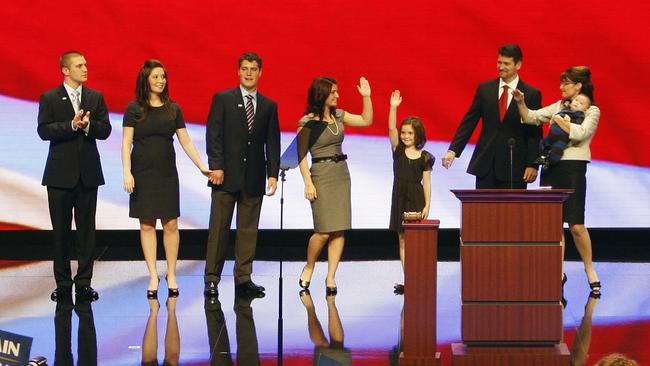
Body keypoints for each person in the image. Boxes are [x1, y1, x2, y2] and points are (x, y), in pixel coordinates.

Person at [122, 59, 210, 299]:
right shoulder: (134, 109)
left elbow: (186, 141)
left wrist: (202, 166)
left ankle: (171, 273)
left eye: (163, 77)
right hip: (142, 173)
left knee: (170, 224)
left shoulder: (173, 108)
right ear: (146, 80)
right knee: (147, 224)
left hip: (166, 174)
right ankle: (152, 274)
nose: (161, 81)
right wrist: (127, 172)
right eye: (156, 77)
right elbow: (126, 143)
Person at [513, 66, 601, 293]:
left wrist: (561, 122)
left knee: (576, 224)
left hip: (573, 168)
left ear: (579, 86)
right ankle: (556, 272)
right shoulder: (559, 107)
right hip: (552, 166)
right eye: (561, 83)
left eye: (567, 83)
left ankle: (589, 269)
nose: (562, 87)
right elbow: (531, 117)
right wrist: (521, 102)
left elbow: (581, 134)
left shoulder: (592, 110)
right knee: (553, 225)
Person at [204, 52, 280, 298]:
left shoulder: (269, 106)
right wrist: (216, 165)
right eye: (245, 68)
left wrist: (272, 174)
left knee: (248, 231)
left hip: (254, 177)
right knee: (219, 230)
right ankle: (212, 279)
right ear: (238, 71)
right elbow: (213, 135)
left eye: (253, 69)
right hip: (224, 177)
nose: (249, 73)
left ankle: (243, 278)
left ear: (260, 72)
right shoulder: (223, 99)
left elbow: (272, 142)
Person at [37, 51, 112, 302]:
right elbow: (44, 131)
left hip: (88, 175)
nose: (85, 68)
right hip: (59, 177)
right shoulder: (49, 98)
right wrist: (71, 125)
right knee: (60, 232)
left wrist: (88, 126)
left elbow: (105, 130)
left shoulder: (95, 97)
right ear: (65, 71)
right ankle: (62, 283)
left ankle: (83, 283)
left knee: (86, 232)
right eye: (79, 65)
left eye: (86, 64)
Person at [297, 76, 373, 295]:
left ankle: (331, 276)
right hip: (320, 174)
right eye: (333, 93)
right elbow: (301, 155)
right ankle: (310, 265)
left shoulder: (339, 115)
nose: (338, 96)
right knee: (322, 231)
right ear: (322, 94)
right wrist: (308, 183)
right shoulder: (308, 122)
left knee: (339, 230)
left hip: (341, 174)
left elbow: (366, 120)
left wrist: (366, 97)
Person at [442, 44, 542, 188]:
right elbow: (469, 121)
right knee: (483, 210)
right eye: (499, 62)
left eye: (506, 63)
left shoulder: (531, 94)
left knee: (511, 211)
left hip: (515, 167)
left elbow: (535, 133)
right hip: (486, 165)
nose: (501, 67)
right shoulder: (485, 89)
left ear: (518, 65)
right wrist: (453, 150)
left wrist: (533, 164)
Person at [387, 90, 434, 294]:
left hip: (415, 197)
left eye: (410, 133)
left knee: (417, 241)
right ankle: (410, 280)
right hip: (399, 197)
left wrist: (427, 205)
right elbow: (390, 128)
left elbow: (427, 183)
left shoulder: (425, 157)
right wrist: (393, 107)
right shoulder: (398, 151)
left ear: (418, 135)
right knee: (403, 240)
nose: (405, 136)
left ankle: (420, 276)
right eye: (403, 132)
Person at [535, 94, 591, 170]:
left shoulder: (579, 115)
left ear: (585, 109)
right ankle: (542, 157)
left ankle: (549, 163)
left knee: (556, 151)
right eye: (576, 100)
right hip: (552, 135)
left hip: (562, 138)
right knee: (543, 143)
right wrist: (554, 118)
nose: (577, 103)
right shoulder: (565, 109)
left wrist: (570, 121)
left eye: (581, 103)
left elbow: (577, 125)